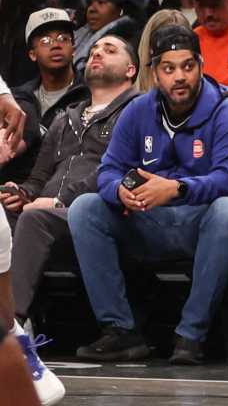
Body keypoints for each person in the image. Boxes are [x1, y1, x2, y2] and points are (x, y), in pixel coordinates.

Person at [67, 24, 228, 364]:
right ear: (154, 73)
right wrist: (120, 192)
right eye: (169, 68)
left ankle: (191, 335)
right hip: (148, 220)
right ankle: (121, 331)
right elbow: (108, 171)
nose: (179, 76)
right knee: (85, 208)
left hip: (203, 221)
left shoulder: (227, 111)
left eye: (187, 66)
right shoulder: (138, 110)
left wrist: (178, 188)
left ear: (200, 65)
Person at [4, 34, 135, 395]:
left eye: (109, 50)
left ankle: (10, 333)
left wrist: (59, 201)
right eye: (94, 50)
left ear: (131, 68)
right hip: (44, 213)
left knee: (33, 219)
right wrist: (22, 192)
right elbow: (39, 177)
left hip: (99, 211)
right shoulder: (66, 117)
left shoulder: (136, 111)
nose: (97, 54)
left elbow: (116, 168)